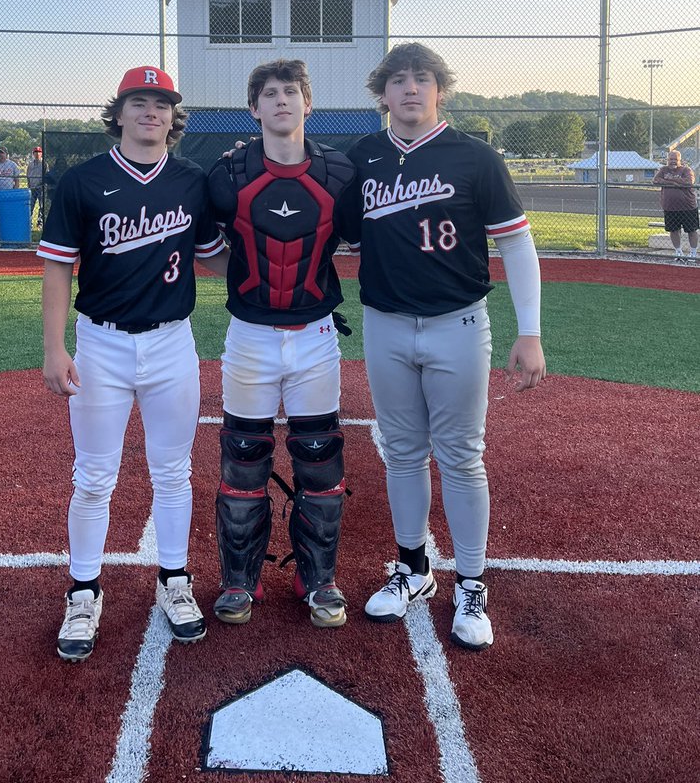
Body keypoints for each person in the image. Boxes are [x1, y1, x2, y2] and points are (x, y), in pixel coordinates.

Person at [342, 43, 546, 652]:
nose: (410, 89)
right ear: (382, 93)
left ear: (440, 90)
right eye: (398, 80)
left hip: (459, 322)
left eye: (422, 79)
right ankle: (413, 569)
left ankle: (472, 584)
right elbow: (339, 235)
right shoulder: (364, 158)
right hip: (385, 323)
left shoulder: (475, 157)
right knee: (402, 451)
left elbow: (516, 244)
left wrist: (529, 331)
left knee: (460, 455)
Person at [39, 66, 228, 662]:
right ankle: (84, 589)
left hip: (173, 342)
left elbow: (217, 259)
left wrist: (285, 266)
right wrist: (53, 346)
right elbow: (58, 267)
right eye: (138, 102)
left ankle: (174, 580)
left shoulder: (192, 181)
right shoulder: (83, 181)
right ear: (117, 113)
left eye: (162, 103)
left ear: (174, 118)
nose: (151, 111)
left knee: (172, 472)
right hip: (103, 344)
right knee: (94, 475)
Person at [207, 59, 356, 629]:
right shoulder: (227, 174)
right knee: (243, 457)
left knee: (319, 459)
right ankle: (239, 581)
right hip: (249, 336)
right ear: (253, 109)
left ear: (308, 103)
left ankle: (317, 578)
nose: (280, 101)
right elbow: (201, 243)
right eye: (269, 94)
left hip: (316, 336)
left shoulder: (340, 174)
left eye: (291, 92)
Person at [652, 150, 698, 262]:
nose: (673, 162)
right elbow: (655, 181)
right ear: (667, 160)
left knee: (691, 230)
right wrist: (675, 183)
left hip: (688, 207)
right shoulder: (663, 170)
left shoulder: (686, 170)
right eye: (670, 159)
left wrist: (668, 180)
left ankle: (693, 253)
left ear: (679, 160)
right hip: (670, 207)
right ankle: (678, 252)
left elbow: (689, 182)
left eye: (675, 159)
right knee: (674, 230)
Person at [27, 146, 45, 226]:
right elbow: (28, 175)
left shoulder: (44, 164)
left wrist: (42, 185)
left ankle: (39, 222)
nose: (37, 154)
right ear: (33, 154)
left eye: (39, 152)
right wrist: (29, 185)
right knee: (30, 206)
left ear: (41, 154)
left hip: (40, 188)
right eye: (35, 152)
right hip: (32, 187)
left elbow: (46, 175)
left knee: (41, 206)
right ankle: (29, 223)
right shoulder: (30, 164)